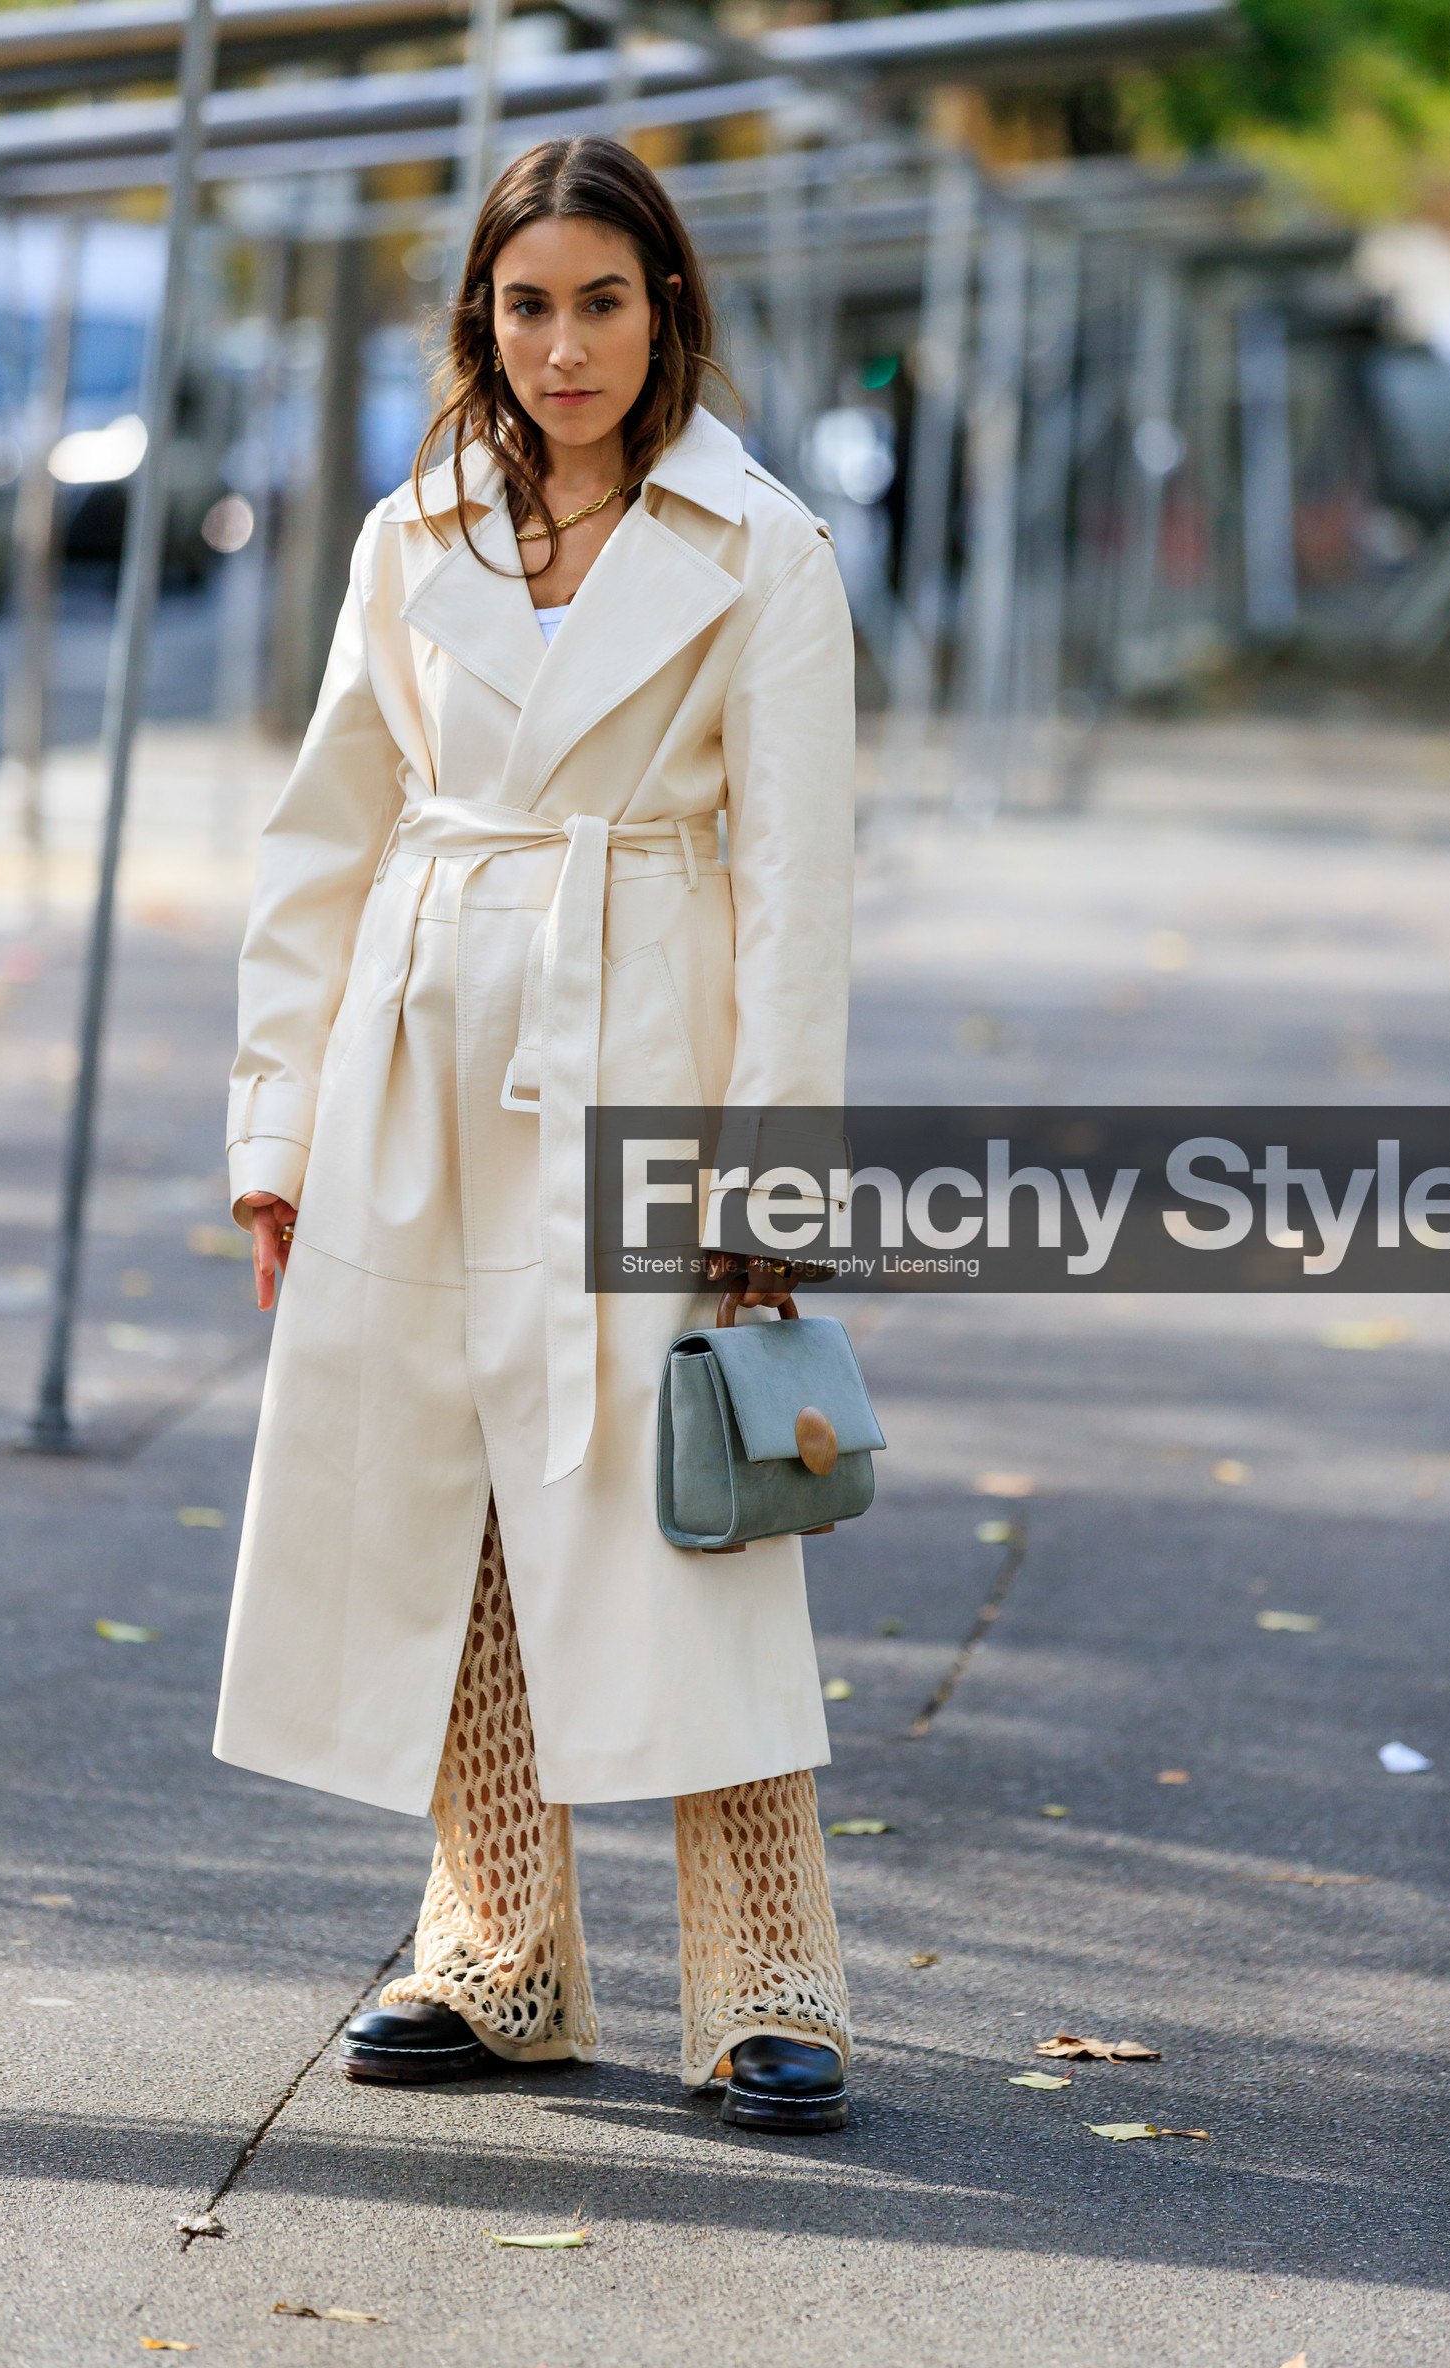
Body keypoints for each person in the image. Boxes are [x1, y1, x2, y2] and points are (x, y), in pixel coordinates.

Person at [216, 135, 856, 2133]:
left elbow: (797, 892)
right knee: (447, 1499)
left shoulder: (762, 549)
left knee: (689, 1503)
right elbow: (321, 840)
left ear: (666, 311)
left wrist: (769, 1172)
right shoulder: (409, 535)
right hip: (413, 1060)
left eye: (600, 301)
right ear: (480, 319)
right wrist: (273, 1131)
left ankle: (771, 1977)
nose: (562, 345)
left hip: (643, 1049)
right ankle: (495, 1952)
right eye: (525, 304)